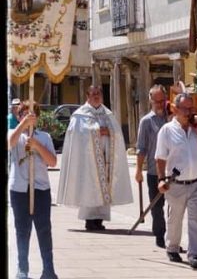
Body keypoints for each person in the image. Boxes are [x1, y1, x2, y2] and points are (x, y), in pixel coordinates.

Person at [57, 85, 133, 231]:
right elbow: (78, 135)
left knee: (105, 187)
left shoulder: (108, 114)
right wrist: (97, 132)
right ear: (88, 96)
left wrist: (109, 132)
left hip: (106, 158)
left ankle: (99, 219)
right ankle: (89, 219)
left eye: (98, 93)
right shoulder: (80, 115)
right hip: (88, 161)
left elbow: (117, 133)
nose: (96, 96)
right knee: (90, 187)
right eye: (93, 94)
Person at [155, 92, 197, 269]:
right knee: (175, 218)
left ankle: (195, 254)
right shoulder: (166, 130)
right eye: (185, 109)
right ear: (175, 109)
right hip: (176, 184)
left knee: (196, 219)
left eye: (191, 108)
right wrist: (161, 179)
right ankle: (172, 247)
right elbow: (160, 158)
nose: (189, 112)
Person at [8, 101, 59, 279]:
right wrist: (23, 125)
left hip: (40, 189)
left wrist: (37, 145)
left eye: (32, 115)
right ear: (19, 116)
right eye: (24, 114)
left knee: (44, 229)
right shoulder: (14, 134)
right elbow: (10, 143)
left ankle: (48, 269)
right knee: (22, 230)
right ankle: (22, 268)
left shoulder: (44, 137)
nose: (29, 117)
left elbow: (52, 162)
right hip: (20, 189)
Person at [135, 85, 169, 248]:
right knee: (157, 207)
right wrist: (138, 171)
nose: (160, 104)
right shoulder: (146, 121)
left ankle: (172, 237)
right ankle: (160, 235)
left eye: (162, 100)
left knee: (175, 208)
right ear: (150, 101)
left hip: (174, 172)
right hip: (154, 171)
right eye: (156, 101)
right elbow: (141, 148)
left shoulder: (173, 118)